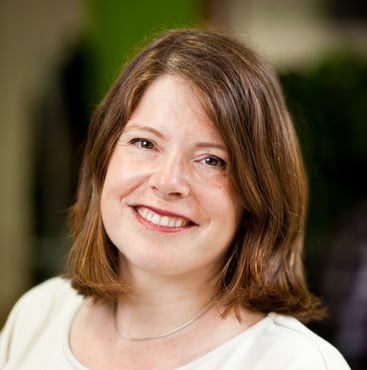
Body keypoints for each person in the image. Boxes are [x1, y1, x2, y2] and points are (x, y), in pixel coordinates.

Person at [0, 28, 350, 369]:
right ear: (103, 158)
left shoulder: (295, 362)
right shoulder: (39, 313)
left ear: (256, 197)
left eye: (212, 160)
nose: (168, 181)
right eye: (145, 143)